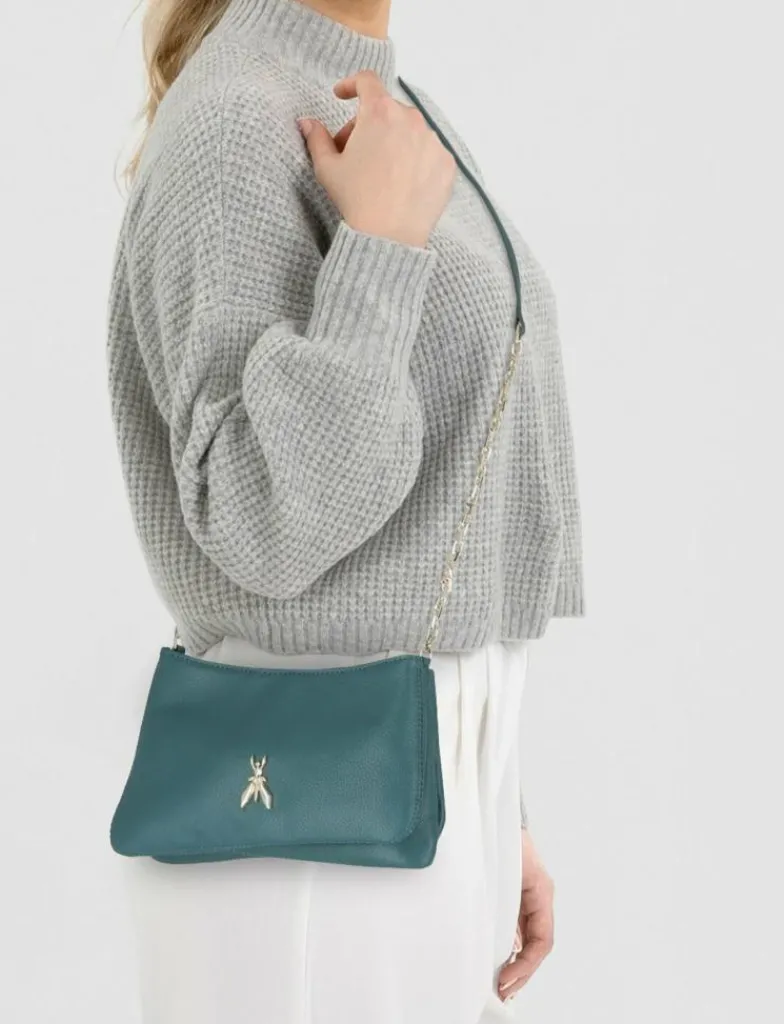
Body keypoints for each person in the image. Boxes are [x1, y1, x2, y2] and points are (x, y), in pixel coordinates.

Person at [104, 1, 585, 1021]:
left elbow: (444, 508)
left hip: (407, 796)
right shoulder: (237, 123)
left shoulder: (381, 104)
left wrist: (491, 797)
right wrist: (377, 245)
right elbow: (262, 527)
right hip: (301, 840)